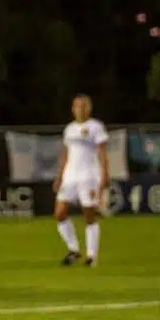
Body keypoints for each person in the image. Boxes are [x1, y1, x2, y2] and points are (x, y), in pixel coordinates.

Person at [53, 94, 109, 267]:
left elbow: (102, 152)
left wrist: (105, 173)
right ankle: (74, 250)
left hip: (88, 176)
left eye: (84, 106)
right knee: (60, 213)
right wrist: (60, 176)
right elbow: (65, 154)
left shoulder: (96, 127)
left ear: (89, 108)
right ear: (72, 109)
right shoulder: (69, 129)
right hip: (70, 176)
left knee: (89, 215)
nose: (80, 109)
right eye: (77, 106)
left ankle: (91, 256)